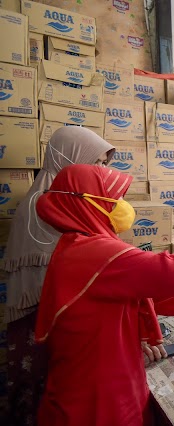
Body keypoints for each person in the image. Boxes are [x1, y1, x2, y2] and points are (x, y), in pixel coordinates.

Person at [34, 164, 174, 425]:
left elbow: (146, 296)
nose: (123, 205)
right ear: (89, 203)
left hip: (111, 371)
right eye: (116, 199)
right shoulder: (92, 252)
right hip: (96, 397)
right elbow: (167, 272)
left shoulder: (83, 245)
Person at [3, 127, 115, 426]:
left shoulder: (68, 197)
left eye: (105, 163)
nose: (102, 170)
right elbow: (73, 265)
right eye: (97, 162)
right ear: (71, 158)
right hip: (42, 317)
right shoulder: (45, 204)